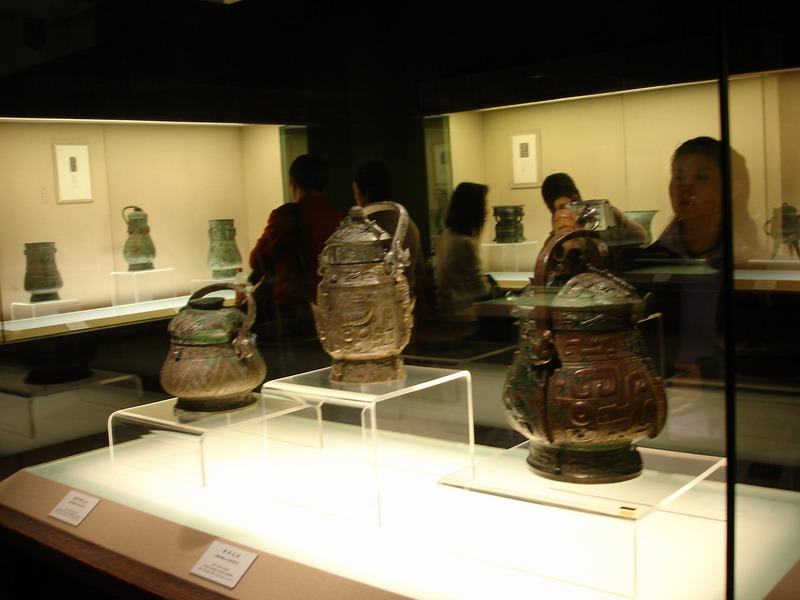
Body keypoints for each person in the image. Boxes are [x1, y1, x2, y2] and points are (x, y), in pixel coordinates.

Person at [637, 136, 758, 381]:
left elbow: (766, 346)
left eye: (700, 177)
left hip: (732, 391)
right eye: (678, 176)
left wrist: (710, 374)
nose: (685, 187)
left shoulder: (748, 261)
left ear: (733, 188)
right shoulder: (651, 260)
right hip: (663, 388)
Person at [249, 154, 343, 323]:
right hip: (330, 308)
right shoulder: (337, 218)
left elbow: (257, 260)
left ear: (293, 181)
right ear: (325, 185)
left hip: (292, 309)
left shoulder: (286, 215)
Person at [352, 162, 425, 297]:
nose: (355, 199)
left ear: (366, 192)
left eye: (356, 193)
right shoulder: (408, 223)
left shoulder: (363, 228)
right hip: (406, 301)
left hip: (376, 303)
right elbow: (420, 273)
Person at [433, 182, 495, 339]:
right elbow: (479, 288)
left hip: (446, 313)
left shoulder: (444, 236)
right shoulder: (466, 242)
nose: (487, 211)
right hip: (464, 317)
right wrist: (492, 286)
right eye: (484, 205)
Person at [541, 172, 648, 246]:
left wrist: (611, 234)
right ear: (554, 213)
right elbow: (545, 267)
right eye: (566, 207)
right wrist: (564, 242)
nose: (573, 213)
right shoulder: (556, 237)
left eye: (577, 203)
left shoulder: (605, 213)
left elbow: (642, 236)